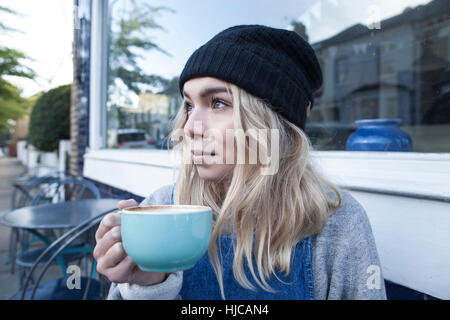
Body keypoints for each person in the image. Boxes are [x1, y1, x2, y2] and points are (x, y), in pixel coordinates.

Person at [94, 24, 387, 300]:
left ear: (271, 123)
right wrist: (148, 285)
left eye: (218, 103)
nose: (189, 127)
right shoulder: (160, 210)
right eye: (189, 105)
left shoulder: (334, 222)